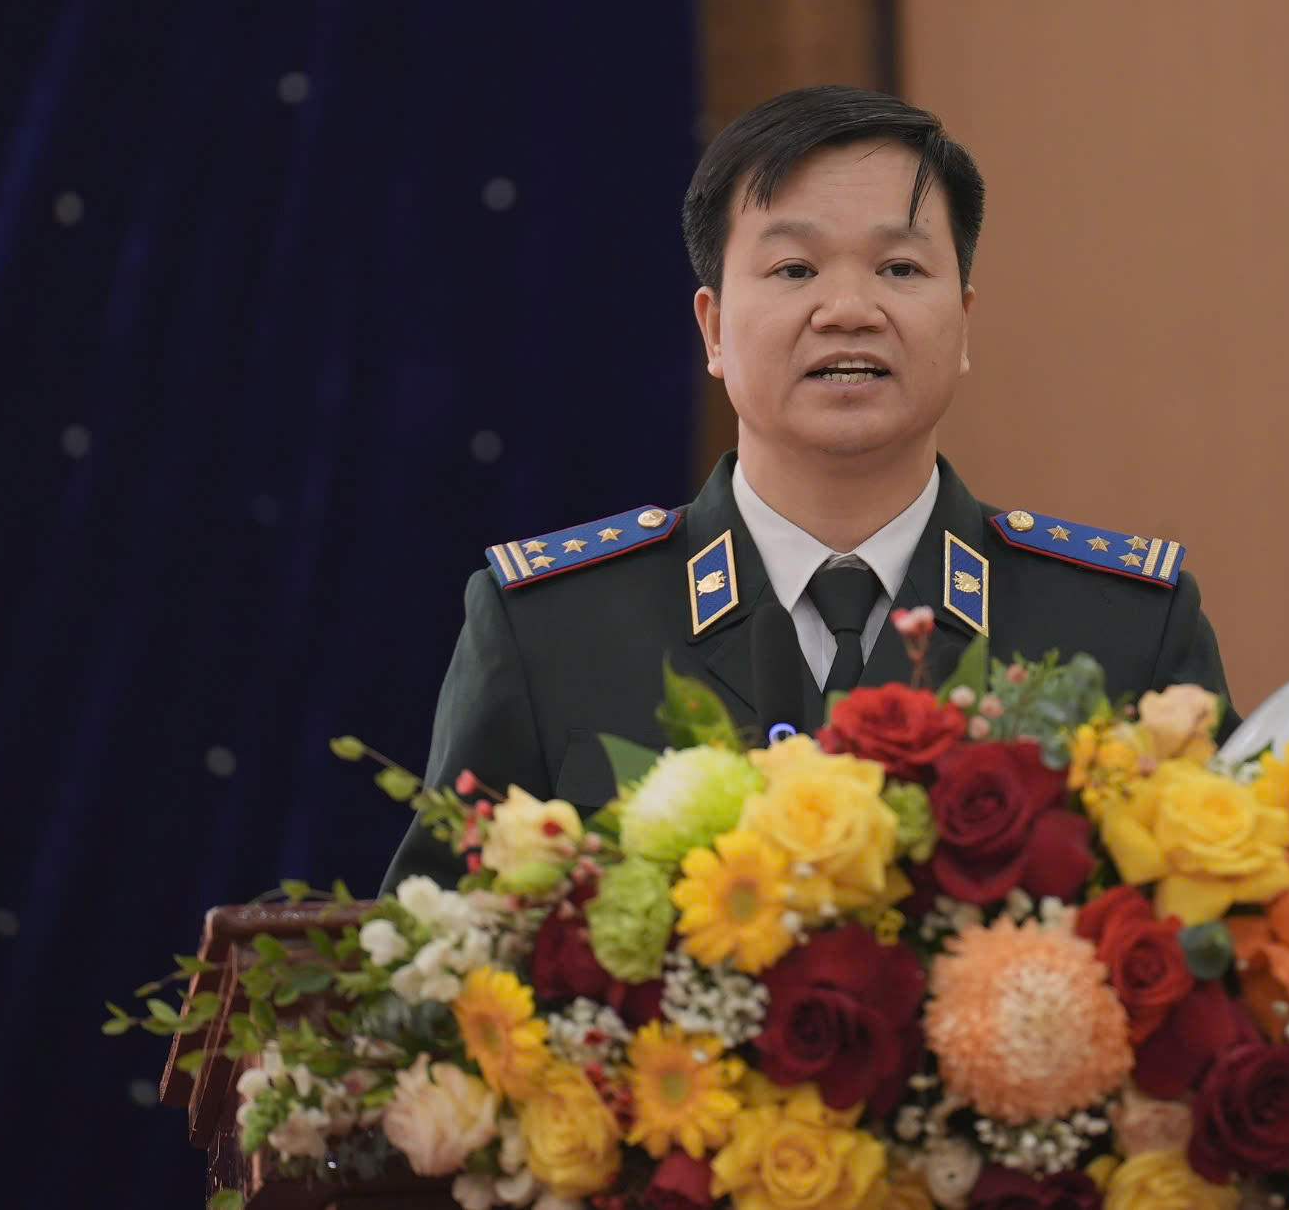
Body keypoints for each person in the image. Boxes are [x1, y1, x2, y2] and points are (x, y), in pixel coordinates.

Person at [382, 86, 1233, 890]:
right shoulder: (550, 630)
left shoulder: (1124, 630)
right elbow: (430, 959)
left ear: (965, 322)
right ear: (714, 329)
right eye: (794, 269)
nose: (849, 309)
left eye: (901, 268)